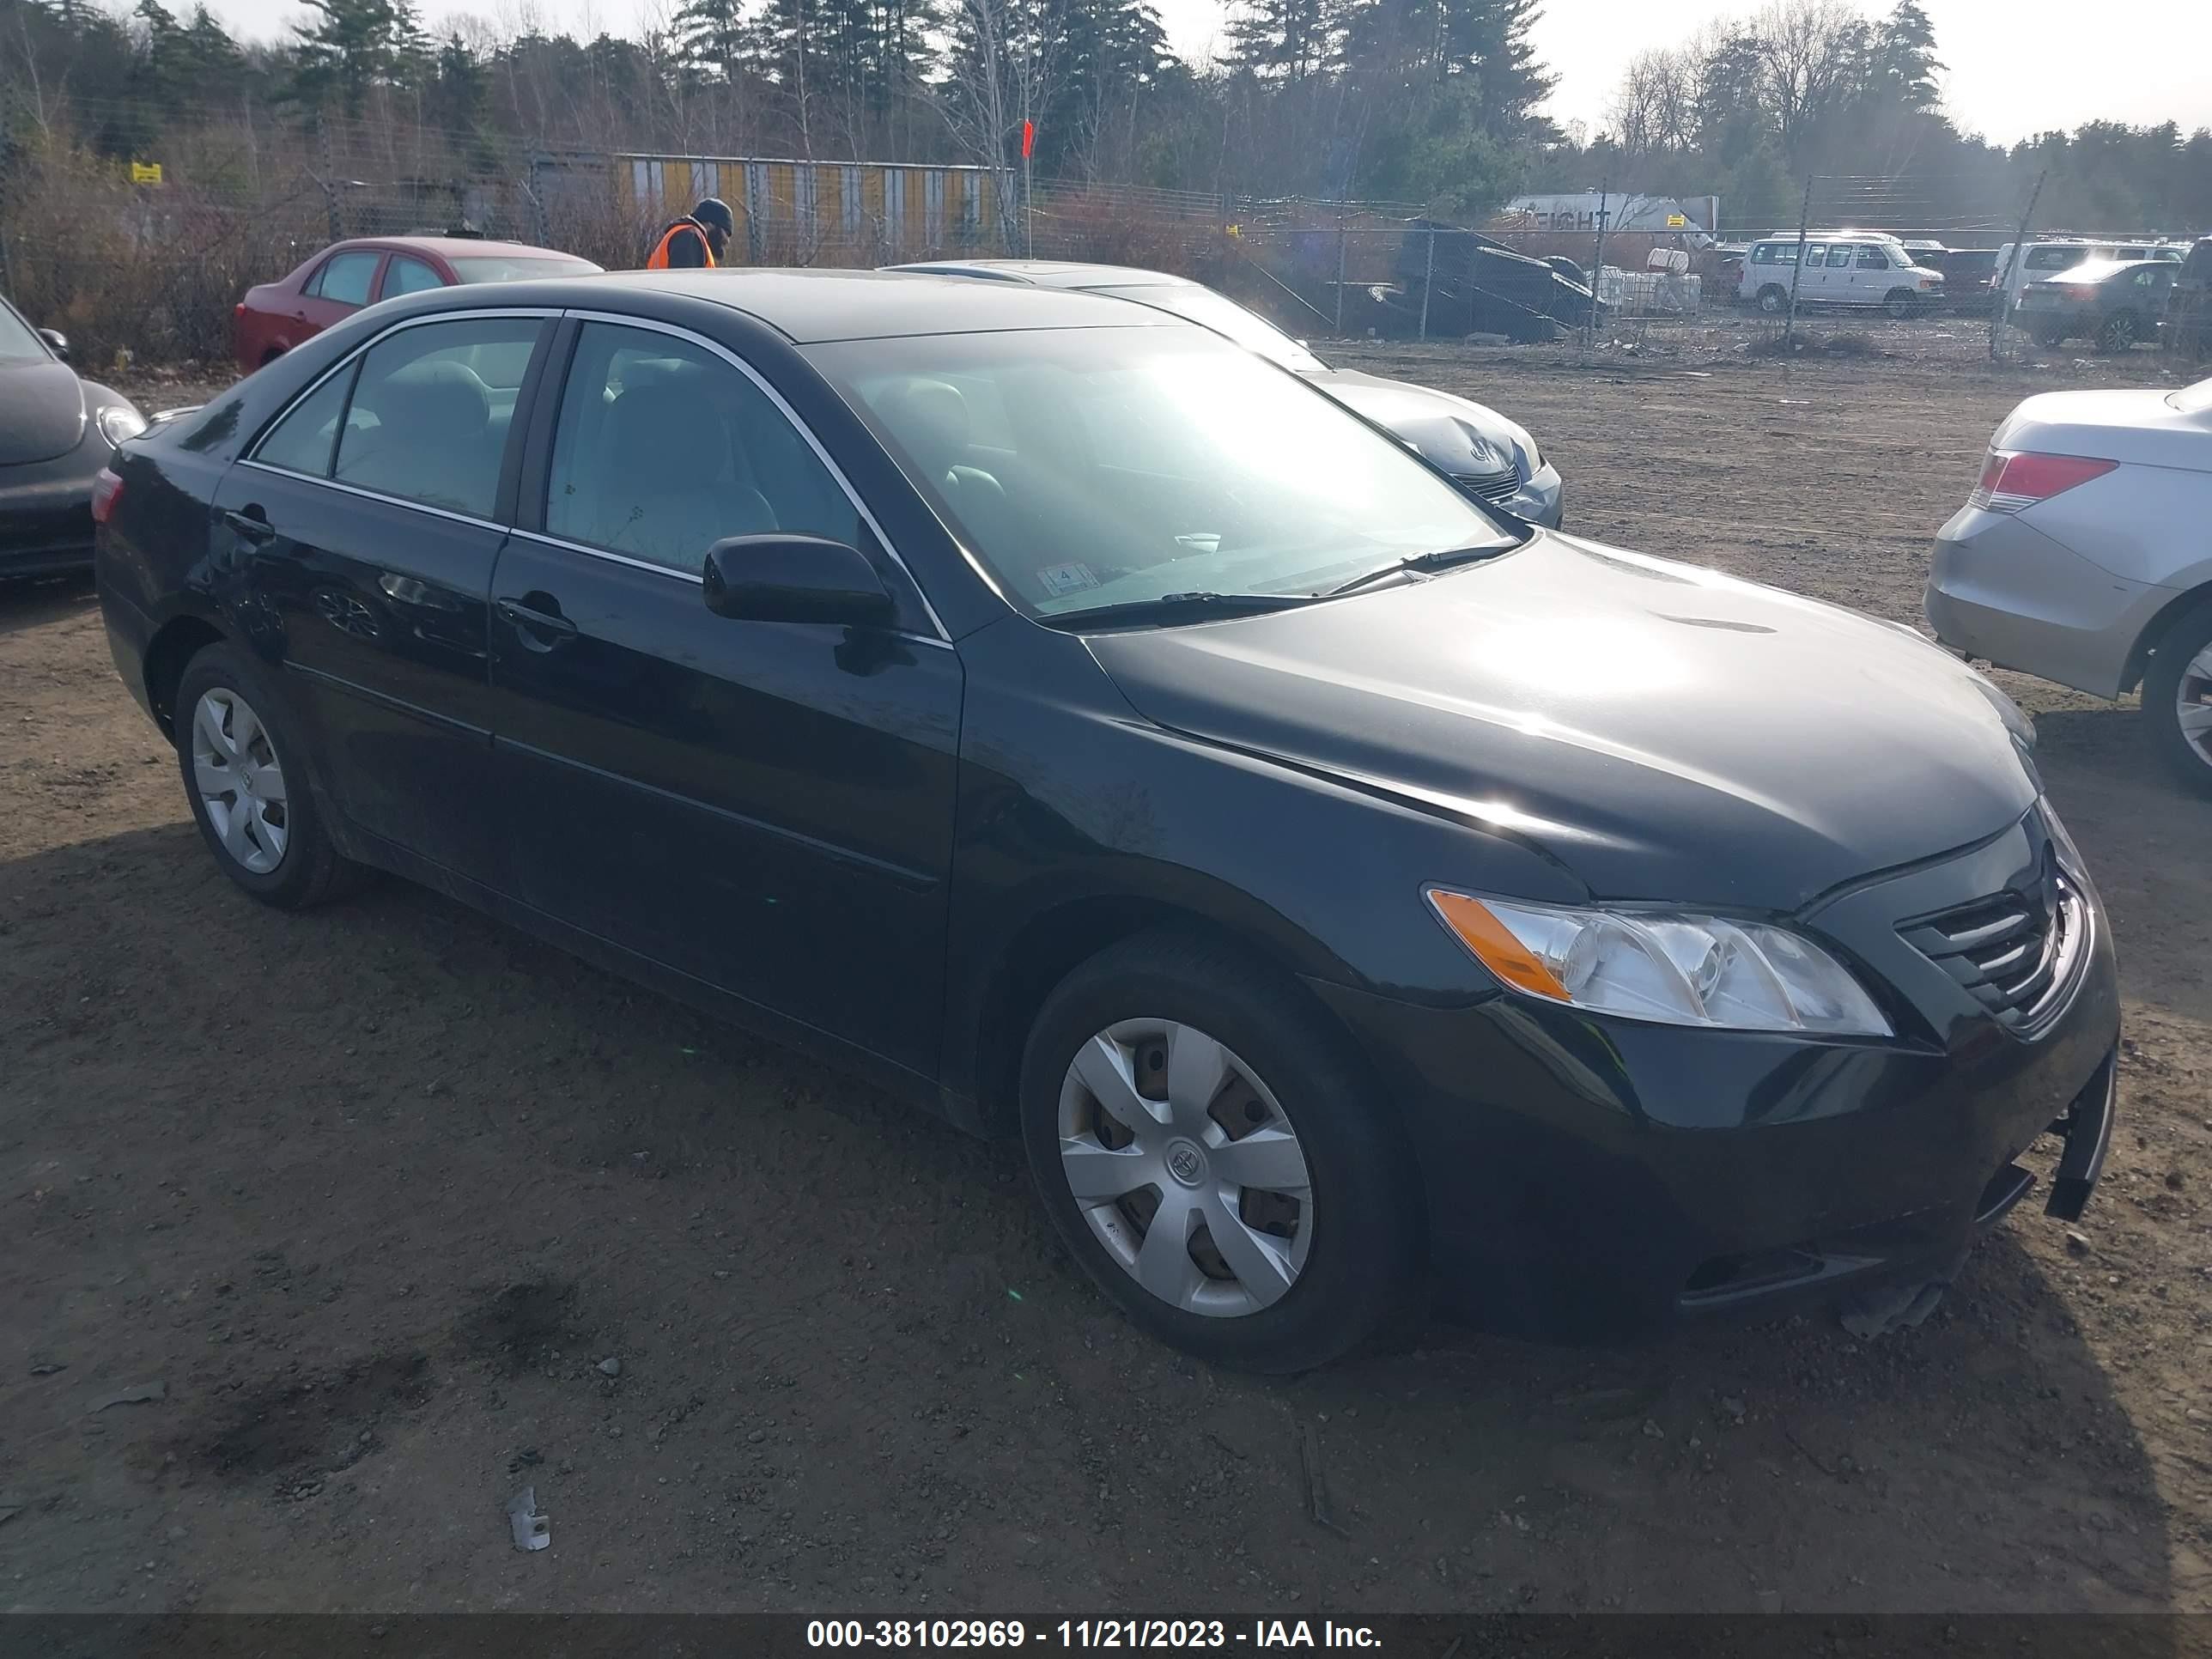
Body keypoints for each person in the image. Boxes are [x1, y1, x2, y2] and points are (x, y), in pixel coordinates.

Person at [645, 198, 735, 270]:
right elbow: (685, 286)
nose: (727, 240)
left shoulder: (683, 235)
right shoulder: (689, 238)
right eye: (726, 232)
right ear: (710, 224)